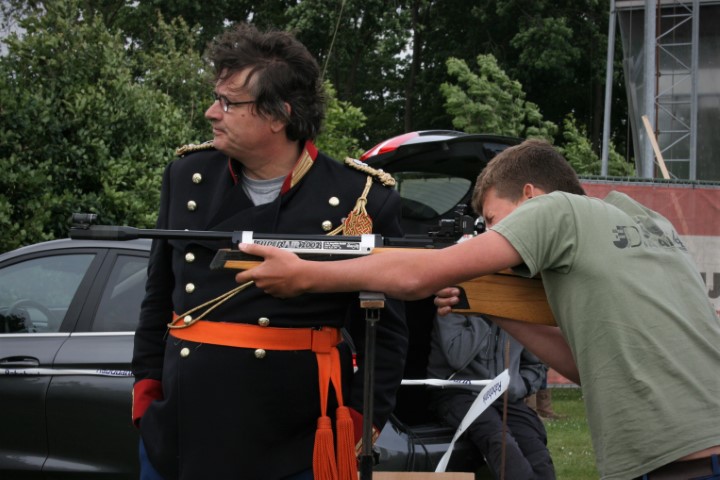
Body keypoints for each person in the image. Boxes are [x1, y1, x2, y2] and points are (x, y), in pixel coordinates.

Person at [235, 139, 720, 480]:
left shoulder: (554, 210)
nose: (489, 235)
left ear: (530, 196)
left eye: (491, 220)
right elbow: (589, 364)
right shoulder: (646, 221)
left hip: (679, 462)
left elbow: (419, 275)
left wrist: (307, 275)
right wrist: (494, 307)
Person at [131, 23, 408, 480]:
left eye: (228, 103)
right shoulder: (186, 176)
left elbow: (387, 334)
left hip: (297, 444)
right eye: (216, 98)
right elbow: (157, 299)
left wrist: (363, 421)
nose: (211, 113)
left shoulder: (361, 198)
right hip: (181, 435)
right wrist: (146, 398)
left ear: (278, 115)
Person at [426, 312, 555, 479]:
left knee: (537, 451)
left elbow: (537, 361)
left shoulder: (518, 310)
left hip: (506, 396)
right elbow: (457, 356)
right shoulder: (453, 306)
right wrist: (486, 314)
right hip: (458, 393)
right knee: (501, 443)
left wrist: (519, 385)